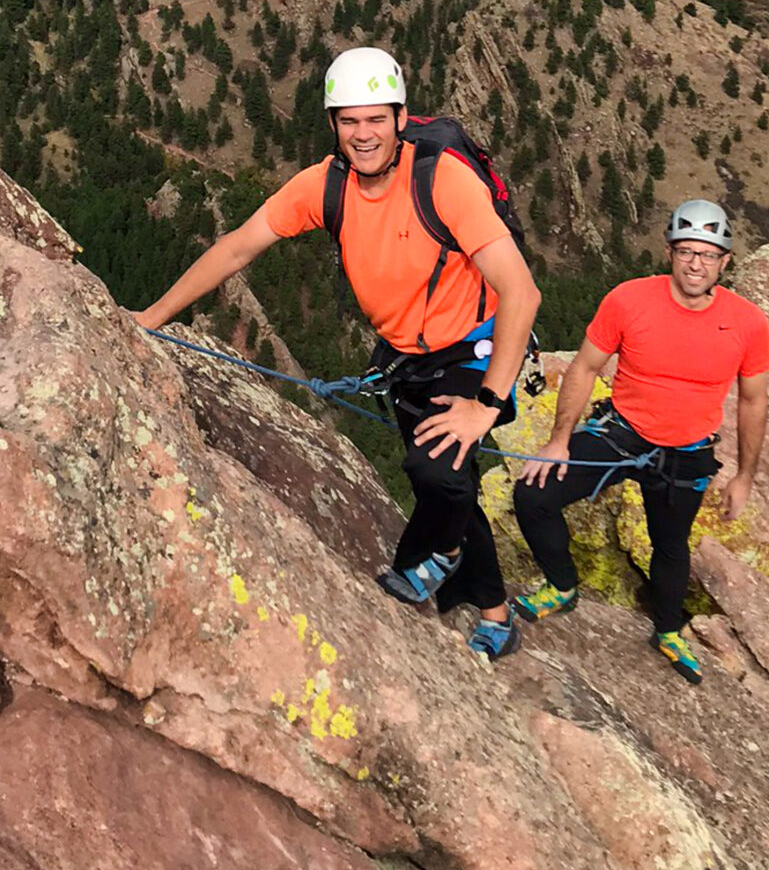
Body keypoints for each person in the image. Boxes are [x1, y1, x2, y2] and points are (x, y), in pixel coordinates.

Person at [135, 47, 541, 661]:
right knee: (450, 484)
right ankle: (494, 613)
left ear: (400, 119)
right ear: (333, 124)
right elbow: (237, 248)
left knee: (438, 471)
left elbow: (522, 292)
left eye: (376, 119)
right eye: (349, 121)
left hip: (472, 348)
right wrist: (151, 317)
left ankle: (437, 556)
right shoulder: (324, 186)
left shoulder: (442, 182)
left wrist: (486, 403)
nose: (363, 134)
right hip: (406, 357)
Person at [509, 199, 769, 683]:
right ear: (669, 252)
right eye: (686, 251)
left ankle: (668, 630)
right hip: (623, 433)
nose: (696, 264)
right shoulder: (629, 300)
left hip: (687, 450)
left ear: (725, 262)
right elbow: (584, 368)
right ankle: (562, 585)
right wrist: (559, 441)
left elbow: (754, 401)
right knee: (532, 494)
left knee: (669, 545)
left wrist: (745, 477)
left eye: (707, 255)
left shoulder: (748, 322)